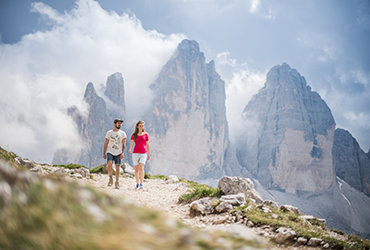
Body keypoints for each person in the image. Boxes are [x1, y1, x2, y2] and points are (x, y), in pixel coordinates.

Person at [103, 118, 127, 189]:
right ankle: (110, 178)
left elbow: (124, 144)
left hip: (118, 152)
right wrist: (104, 153)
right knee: (109, 164)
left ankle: (117, 182)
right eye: (118, 123)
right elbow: (106, 143)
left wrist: (122, 153)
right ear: (114, 124)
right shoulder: (109, 133)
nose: (119, 125)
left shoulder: (123, 134)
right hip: (110, 151)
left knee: (118, 167)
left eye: (120, 123)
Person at [128, 121, 150, 190]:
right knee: (136, 169)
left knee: (141, 167)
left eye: (142, 126)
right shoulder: (134, 134)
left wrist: (149, 154)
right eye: (140, 126)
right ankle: (137, 184)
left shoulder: (146, 134)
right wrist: (130, 149)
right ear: (137, 126)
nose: (141, 127)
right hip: (136, 153)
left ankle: (141, 184)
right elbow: (132, 143)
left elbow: (147, 144)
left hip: (143, 153)